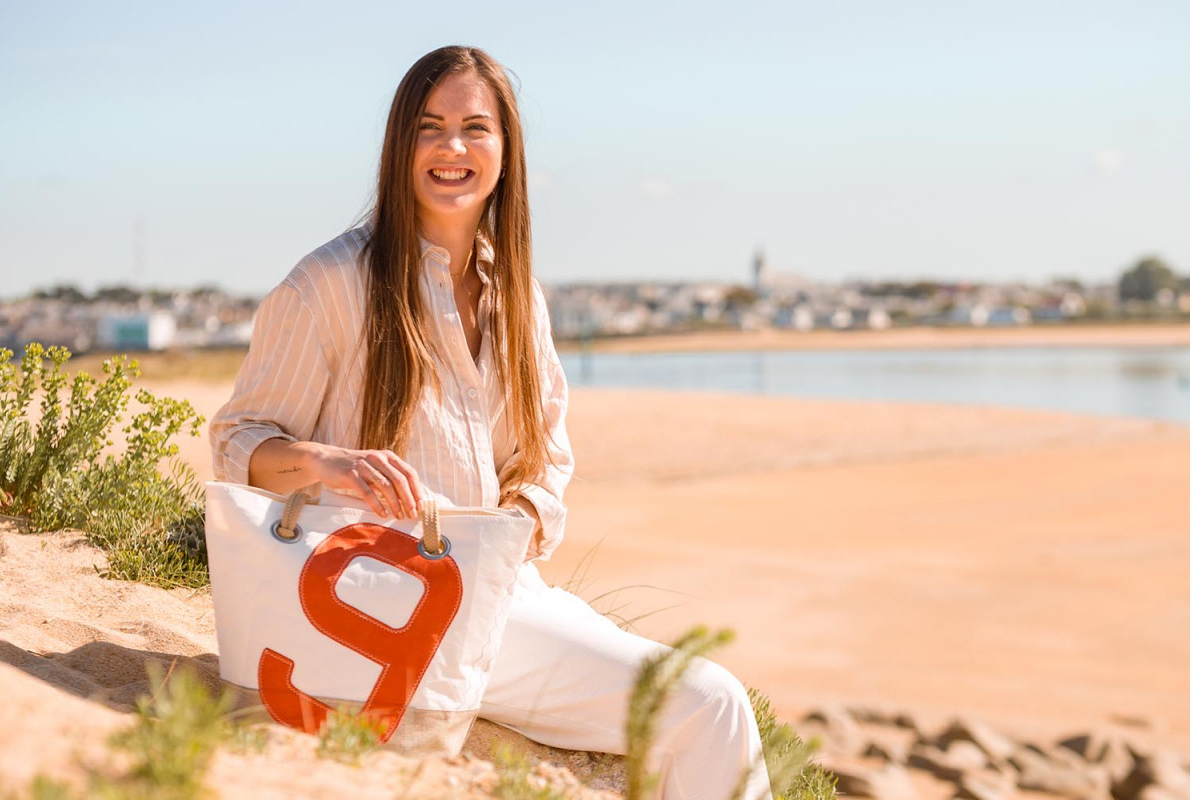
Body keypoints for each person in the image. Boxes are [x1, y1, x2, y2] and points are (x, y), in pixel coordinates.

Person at [209, 45, 773, 800]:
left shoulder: (517, 297)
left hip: (497, 592)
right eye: (430, 127)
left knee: (700, 698)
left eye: (476, 128)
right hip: (379, 600)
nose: (452, 148)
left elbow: (546, 461)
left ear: (506, 151)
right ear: (399, 144)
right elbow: (237, 442)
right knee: (708, 702)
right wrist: (326, 463)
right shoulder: (329, 284)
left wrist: (517, 529)